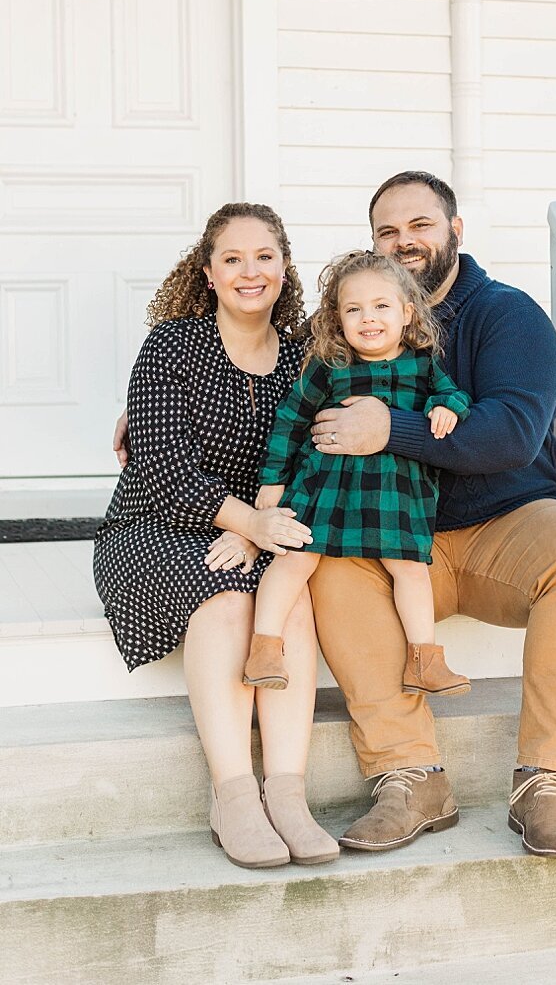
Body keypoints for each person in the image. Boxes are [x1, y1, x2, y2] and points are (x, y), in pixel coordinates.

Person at [307, 172, 556, 860]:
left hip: (501, 526)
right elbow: (283, 389)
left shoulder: (507, 316)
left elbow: (508, 433)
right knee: (329, 567)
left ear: (455, 230)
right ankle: (410, 777)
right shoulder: (358, 317)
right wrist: (153, 411)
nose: (404, 241)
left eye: (419, 225)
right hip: (394, 536)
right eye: (387, 232)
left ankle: (547, 783)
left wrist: (391, 428)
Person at [95, 203, 339, 870]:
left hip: (253, 530)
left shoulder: (303, 360)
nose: (249, 271)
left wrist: (262, 534)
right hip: (151, 524)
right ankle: (232, 794)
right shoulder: (173, 346)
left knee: (291, 600)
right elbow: (165, 469)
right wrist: (249, 524)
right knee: (230, 599)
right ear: (208, 273)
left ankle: (287, 794)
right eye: (232, 258)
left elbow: (316, 461)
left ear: (284, 267)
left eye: (264, 256)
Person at [243, 249, 472, 701]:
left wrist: (445, 407)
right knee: (294, 559)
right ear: (337, 319)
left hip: (396, 493)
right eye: (354, 309)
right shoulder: (331, 367)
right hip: (328, 487)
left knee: (411, 570)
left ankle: (425, 659)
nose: (368, 319)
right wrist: (272, 480)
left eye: (381, 306)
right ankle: (264, 648)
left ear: (407, 313)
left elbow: (453, 394)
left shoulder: (423, 364)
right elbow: (291, 420)